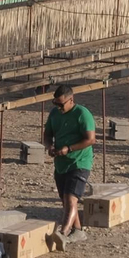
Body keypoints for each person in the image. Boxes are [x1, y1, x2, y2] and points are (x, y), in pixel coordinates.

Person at [42, 83, 95, 249]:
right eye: (55, 104)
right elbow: (47, 134)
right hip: (61, 163)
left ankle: (62, 234)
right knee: (65, 200)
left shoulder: (82, 114)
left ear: (71, 100)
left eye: (61, 104)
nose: (58, 107)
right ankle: (78, 230)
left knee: (71, 198)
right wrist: (49, 146)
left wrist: (69, 148)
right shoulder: (54, 114)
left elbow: (90, 139)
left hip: (79, 161)